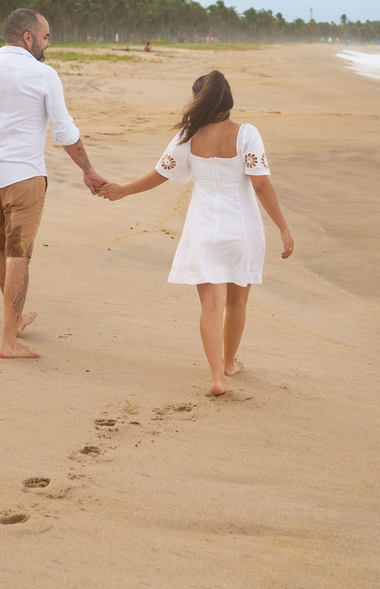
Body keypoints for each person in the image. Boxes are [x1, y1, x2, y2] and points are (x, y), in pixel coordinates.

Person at [100, 70, 293, 396]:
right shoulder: (246, 133)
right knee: (237, 304)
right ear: (228, 100)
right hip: (242, 229)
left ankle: (217, 377)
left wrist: (123, 191)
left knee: (211, 308)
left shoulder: (188, 136)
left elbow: (160, 174)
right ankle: (229, 363)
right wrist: (283, 228)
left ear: (200, 101)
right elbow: (260, 184)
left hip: (204, 229)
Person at [0, 8, 107, 359]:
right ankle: (8, 342)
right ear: (28, 37)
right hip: (25, 177)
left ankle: (16, 320)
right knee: (19, 256)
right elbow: (64, 131)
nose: (47, 43)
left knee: (3, 250)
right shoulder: (44, 75)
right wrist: (88, 170)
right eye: (45, 37)